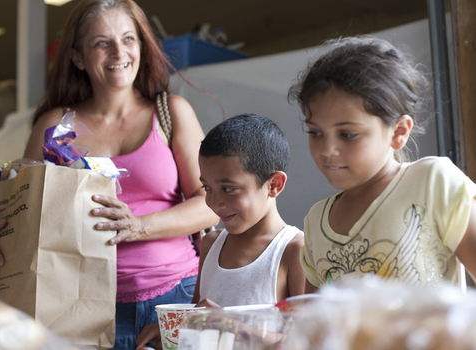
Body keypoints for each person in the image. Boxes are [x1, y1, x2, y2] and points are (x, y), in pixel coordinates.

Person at [0, 0, 219, 349]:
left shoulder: (172, 112)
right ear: (77, 57)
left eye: (129, 39)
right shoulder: (53, 126)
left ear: (142, 47)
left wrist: (138, 226)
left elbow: (212, 203)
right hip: (77, 306)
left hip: (174, 298)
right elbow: (20, 217)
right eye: (102, 42)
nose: (119, 51)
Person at [287, 36, 476, 293]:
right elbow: (314, 321)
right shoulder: (316, 221)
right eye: (315, 133)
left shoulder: (433, 184)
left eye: (347, 134)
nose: (327, 150)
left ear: (398, 131)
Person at [135, 113, 305, 350]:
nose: (215, 204)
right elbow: (198, 324)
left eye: (228, 188)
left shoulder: (293, 250)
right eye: (207, 188)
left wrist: (233, 326)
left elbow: (307, 343)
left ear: (274, 184)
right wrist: (171, 333)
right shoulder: (211, 243)